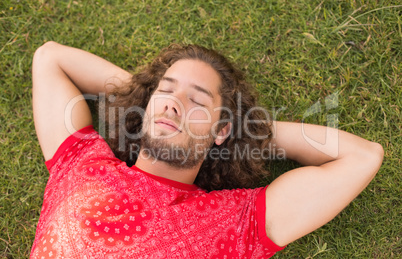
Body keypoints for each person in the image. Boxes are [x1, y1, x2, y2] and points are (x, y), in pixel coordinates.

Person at [30, 41, 383, 258]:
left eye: (196, 101)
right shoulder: (82, 165)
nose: (173, 104)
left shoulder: (233, 223)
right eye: (166, 91)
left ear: (221, 130)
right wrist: (140, 95)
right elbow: (50, 58)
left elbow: (362, 157)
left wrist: (248, 131)